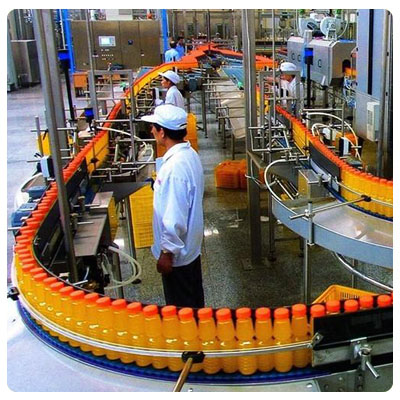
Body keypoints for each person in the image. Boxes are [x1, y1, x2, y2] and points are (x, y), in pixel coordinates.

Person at [141, 104, 205, 308]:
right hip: (190, 248)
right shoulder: (189, 154)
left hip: (178, 256)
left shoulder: (174, 168)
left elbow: (174, 215)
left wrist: (167, 253)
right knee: (194, 302)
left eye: (154, 127)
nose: (151, 130)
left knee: (182, 309)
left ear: (162, 132)